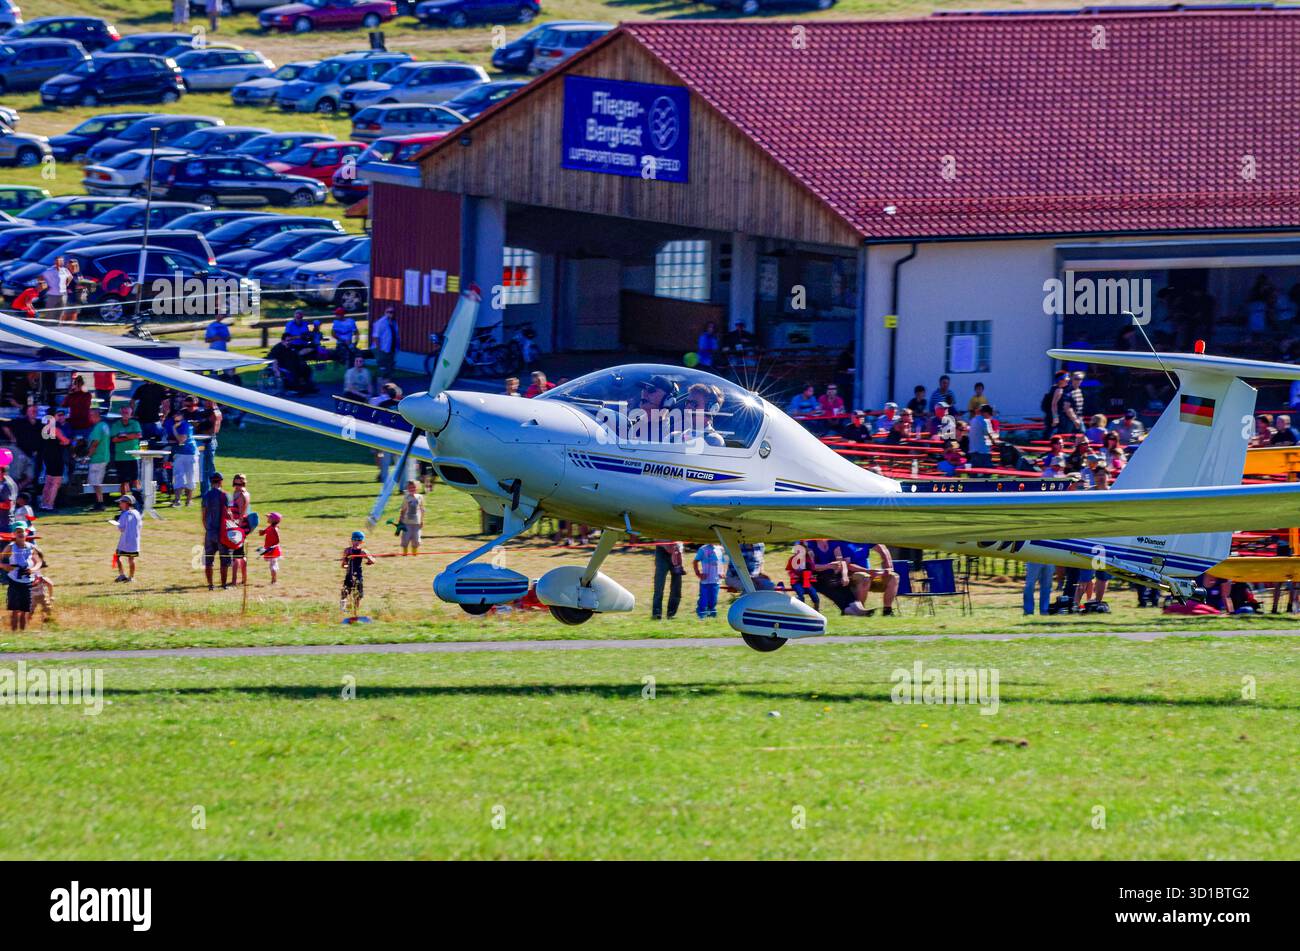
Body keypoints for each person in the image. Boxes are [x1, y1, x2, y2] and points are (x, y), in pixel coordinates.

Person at [0, 525, 41, 630]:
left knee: (25, 610)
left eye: (22, 531)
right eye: (18, 531)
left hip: (27, 582)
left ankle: (22, 634)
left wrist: (33, 569)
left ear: (26, 533)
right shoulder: (10, 546)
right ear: (14, 534)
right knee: (15, 610)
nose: (20, 533)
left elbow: (38, 562)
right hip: (14, 581)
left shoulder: (30, 547)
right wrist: (4, 566)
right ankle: (14, 634)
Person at [202, 472, 232, 590]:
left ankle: (210, 585)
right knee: (224, 560)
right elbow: (229, 515)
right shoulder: (225, 496)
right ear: (221, 481)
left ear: (211, 482)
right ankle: (224, 585)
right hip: (222, 532)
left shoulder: (206, 496)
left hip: (210, 532)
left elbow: (203, 517)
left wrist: (208, 529)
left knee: (209, 560)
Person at [38, 408, 70, 511]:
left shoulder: (44, 428)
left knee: (48, 481)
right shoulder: (56, 429)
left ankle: (43, 503)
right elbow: (65, 441)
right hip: (56, 456)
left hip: (47, 456)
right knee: (56, 482)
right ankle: (50, 505)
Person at [109, 404, 143, 500]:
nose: (125, 414)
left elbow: (138, 435)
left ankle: (138, 500)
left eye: (127, 412)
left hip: (134, 456)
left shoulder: (135, 423)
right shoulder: (116, 424)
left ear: (131, 414)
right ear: (120, 413)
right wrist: (129, 436)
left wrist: (123, 436)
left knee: (135, 480)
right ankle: (124, 501)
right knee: (123, 481)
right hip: (120, 456)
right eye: (123, 412)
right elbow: (114, 439)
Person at [168, 407, 199, 507]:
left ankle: (188, 500)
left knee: (190, 477)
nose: (175, 416)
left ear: (182, 416)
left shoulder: (185, 425)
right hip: (179, 453)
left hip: (190, 453)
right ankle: (177, 500)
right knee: (178, 476)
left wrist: (173, 429)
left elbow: (182, 440)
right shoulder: (174, 424)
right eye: (174, 414)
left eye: (178, 414)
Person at [340, 530, 375, 616]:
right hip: (349, 576)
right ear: (351, 540)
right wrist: (346, 564)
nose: (356, 542)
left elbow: (373, 560)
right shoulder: (347, 551)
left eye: (358, 540)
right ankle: (342, 610)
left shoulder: (363, 552)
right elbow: (343, 565)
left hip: (358, 576)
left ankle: (355, 613)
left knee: (358, 596)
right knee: (344, 592)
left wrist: (369, 560)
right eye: (355, 540)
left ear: (362, 541)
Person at [85, 408, 111, 511]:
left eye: (90, 416)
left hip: (97, 458)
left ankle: (99, 504)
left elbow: (95, 444)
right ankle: (99, 502)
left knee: (95, 482)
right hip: (104, 457)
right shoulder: (105, 426)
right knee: (96, 482)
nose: (89, 418)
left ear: (95, 415)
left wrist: (87, 456)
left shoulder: (98, 427)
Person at [651, 540, 684, 620]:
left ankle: (671, 614)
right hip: (662, 551)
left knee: (676, 586)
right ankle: (657, 613)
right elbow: (657, 538)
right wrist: (671, 548)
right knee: (659, 586)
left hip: (676, 550)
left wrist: (678, 555)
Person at [692, 541, 726, 619]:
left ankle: (712, 613)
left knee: (713, 598)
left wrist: (723, 572)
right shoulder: (703, 549)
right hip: (705, 581)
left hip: (716, 580)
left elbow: (723, 561)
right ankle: (701, 614)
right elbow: (695, 561)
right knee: (704, 598)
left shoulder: (720, 549)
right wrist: (698, 574)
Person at [228, 473, 250, 587]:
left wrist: (238, 530)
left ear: (243, 483)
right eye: (235, 483)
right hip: (236, 525)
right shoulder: (236, 493)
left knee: (236, 555)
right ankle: (244, 579)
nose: (237, 485)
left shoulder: (241, 495)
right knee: (240, 554)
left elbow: (241, 514)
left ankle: (234, 581)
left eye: (240, 483)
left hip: (239, 527)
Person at [112, 494, 141, 583]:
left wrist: (116, 523)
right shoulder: (137, 513)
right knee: (131, 559)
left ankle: (122, 575)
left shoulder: (124, 514)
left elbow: (121, 528)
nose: (119, 504)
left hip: (124, 541)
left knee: (116, 556)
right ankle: (131, 577)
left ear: (126, 503)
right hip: (134, 541)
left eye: (121, 502)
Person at [786, 541, 820, 608]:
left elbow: (812, 569)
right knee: (800, 593)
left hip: (806, 580)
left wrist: (812, 559)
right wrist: (793, 575)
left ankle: (816, 607)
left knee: (813, 593)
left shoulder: (808, 559)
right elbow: (790, 570)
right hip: (796, 581)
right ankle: (801, 608)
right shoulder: (792, 559)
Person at [370, 307, 399, 383]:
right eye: (388, 312)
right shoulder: (380, 323)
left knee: (390, 369)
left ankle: (388, 388)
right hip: (382, 350)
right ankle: (380, 388)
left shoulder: (394, 323)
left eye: (392, 312)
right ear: (385, 313)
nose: (390, 314)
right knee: (383, 369)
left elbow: (395, 336)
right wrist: (379, 350)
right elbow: (376, 337)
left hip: (391, 350)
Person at [967, 403, 997, 469]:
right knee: (987, 473)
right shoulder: (984, 421)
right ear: (985, 413)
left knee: (975, 473)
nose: (990, 416)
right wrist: (995, 442)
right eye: (990, 414)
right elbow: (989, 435)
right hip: (982, 452)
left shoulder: (973, 420)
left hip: (973, 450)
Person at [40, 256, 70, 322]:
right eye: (58, 261)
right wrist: (46, 286)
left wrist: (66, 286)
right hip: (52, 294)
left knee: (61, 311)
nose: (60, 262)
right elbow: (41, 278)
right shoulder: (49, 271)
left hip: (63, 294)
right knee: (50, 312)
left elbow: (69, 278)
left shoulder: (65, 270)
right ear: (55, 262)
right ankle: (49, 325)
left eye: (61, 261)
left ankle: (58, 325)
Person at [398, 480, 423, 555]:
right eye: (410, 487)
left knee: (416, 537)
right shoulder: (406, 498)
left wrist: (422, 520)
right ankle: (405, 552)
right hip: (407, 522)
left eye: (414, 487)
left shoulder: (420, 497)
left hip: (417, 522)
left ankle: (414, 552)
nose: (412, 489)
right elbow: (403, 509)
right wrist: (400, 519)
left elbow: (422, 509)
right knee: (406, 537)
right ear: (407, 488)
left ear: (417, 488)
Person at [258, 511, 282, 584]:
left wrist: (273, 546)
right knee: (271, 564)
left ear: (274, 520)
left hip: (272, 549)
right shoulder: (270, 527)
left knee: (273, 565)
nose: (267, 518)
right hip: (268, 548)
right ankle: (273, 580)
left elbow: (278, 539)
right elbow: (263, 533)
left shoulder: (274, 528)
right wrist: (261, 532)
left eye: (269, 517)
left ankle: (274, 581)